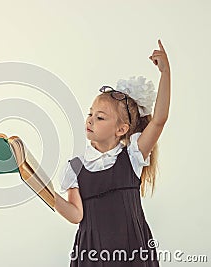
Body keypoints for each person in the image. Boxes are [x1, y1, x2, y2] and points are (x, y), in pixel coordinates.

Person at [54, 39, 170, 266]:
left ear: (121, 129)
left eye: (100, 117)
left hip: (132, 250)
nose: (90, 120)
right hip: (92, 254)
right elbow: (75, 215)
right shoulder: (75, 168)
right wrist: (40, 187)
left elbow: (159, 120)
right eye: (90, 114)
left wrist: (166, 73)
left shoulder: (133, 157)